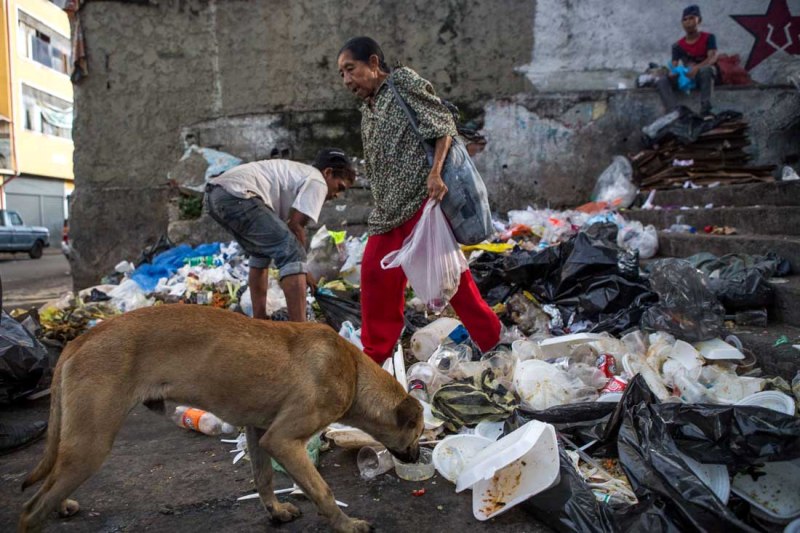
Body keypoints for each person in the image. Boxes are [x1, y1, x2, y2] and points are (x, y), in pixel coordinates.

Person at [336, 36, 501, 365]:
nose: (346, 80)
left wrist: (436, 174)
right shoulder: (367, 110)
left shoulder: (403, 82)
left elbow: (443, 126)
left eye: (350, 70)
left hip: (418, 207)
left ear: (373, 62)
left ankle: (493, 342)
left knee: (452, 282)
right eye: (341, 74)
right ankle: (375, 358)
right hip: (387, 214)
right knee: (374, 279)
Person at [205, 149, 355, 321]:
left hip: (215, 195)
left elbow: (290, 225)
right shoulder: (318, 180)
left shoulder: (298, 173)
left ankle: (260, 320)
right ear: (328, 173)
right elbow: (296, 225)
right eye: (339, 187)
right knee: (294, 252)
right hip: (238, 195)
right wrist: (303, 269)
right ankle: (300, 330)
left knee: (260, 254)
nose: (336, 195)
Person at [656, 5, 719, 116]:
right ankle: (673, 113)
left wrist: (697, 68)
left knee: (707, 70)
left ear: (699, 20)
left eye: (691, 18)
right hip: (687, 78)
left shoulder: (708, 37)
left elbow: (712, 58)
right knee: (662, 81)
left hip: (703, 77)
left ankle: (706, 110)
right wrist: (673, 73)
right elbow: (674, 66)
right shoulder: (677, 45)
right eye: (685, 20)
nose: (688, 22)